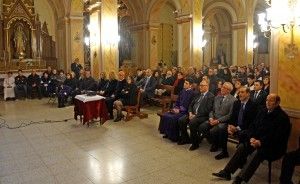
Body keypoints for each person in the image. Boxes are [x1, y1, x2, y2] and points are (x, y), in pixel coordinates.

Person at [212, 94, 291, 184]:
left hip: (272, 147)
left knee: (257, 153)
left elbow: (277, 137)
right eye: (266, 100)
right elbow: (253, 126)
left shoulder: (282, 118)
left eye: (271, 101)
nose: (267, 102)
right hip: (257, 140)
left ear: (277, 103)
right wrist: (252, 137)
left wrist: (261, 142)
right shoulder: (263, 111)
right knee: (242, 146)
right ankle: (227, 172)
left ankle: (240, 179)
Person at [214, 87, 257, 160]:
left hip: (246, 127)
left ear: (248, 94)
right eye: (239, 92)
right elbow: (232, 116)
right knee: (222, 129)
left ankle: (242, 157)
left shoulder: (253, 105)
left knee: (242, 134)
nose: (240, 94)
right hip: (235, 126)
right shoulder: (236, 103)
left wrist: (237, 128)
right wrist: (230, 126)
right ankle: (224, 152)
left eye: (242, 92)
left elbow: (250, 121)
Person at [197, 82, 236, 153]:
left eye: (224, 88)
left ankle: (216, 144)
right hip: (213, 118)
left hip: (223, 121)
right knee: (202, 127)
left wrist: (218, 121)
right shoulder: (217, 97)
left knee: (213, 131)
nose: (222, 88)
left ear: (229, 90)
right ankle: (213, 141)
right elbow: (212, 110)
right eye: (222, 87)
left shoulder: (233, 100)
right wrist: (211, 118)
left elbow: (229, 115)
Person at [177, 80, 214, 147]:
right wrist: (190, 113)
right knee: (181, 120)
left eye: (202, 85)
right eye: (200, 85)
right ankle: (185, 138)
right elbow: (191, 105)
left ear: (207, 86)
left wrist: (196, 115)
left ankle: (195, 143)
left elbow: (207, 110)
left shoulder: (210, 96)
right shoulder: (198, 94)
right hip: (193, 114)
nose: (200, 87)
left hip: (202, 116)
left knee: (192, 122)